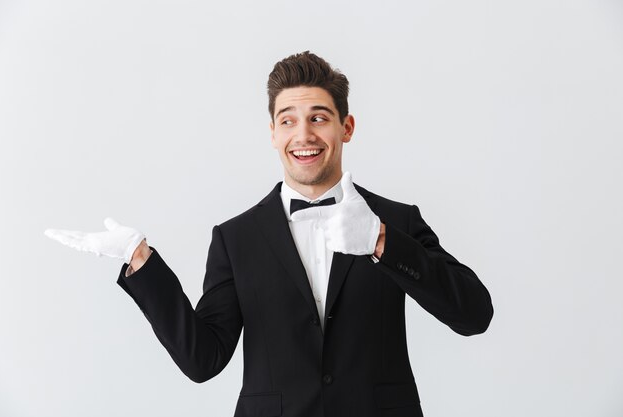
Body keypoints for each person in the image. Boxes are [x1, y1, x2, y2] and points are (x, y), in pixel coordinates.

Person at [45, 51, 493, 417]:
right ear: (273, 133)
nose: (304, 135)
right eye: (288, 120)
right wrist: (139, 260)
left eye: (319, 118)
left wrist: (381, 240)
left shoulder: (396, 220)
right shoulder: (235, 238)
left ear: (346, 127)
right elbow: (204, 360)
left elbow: (474, 315)